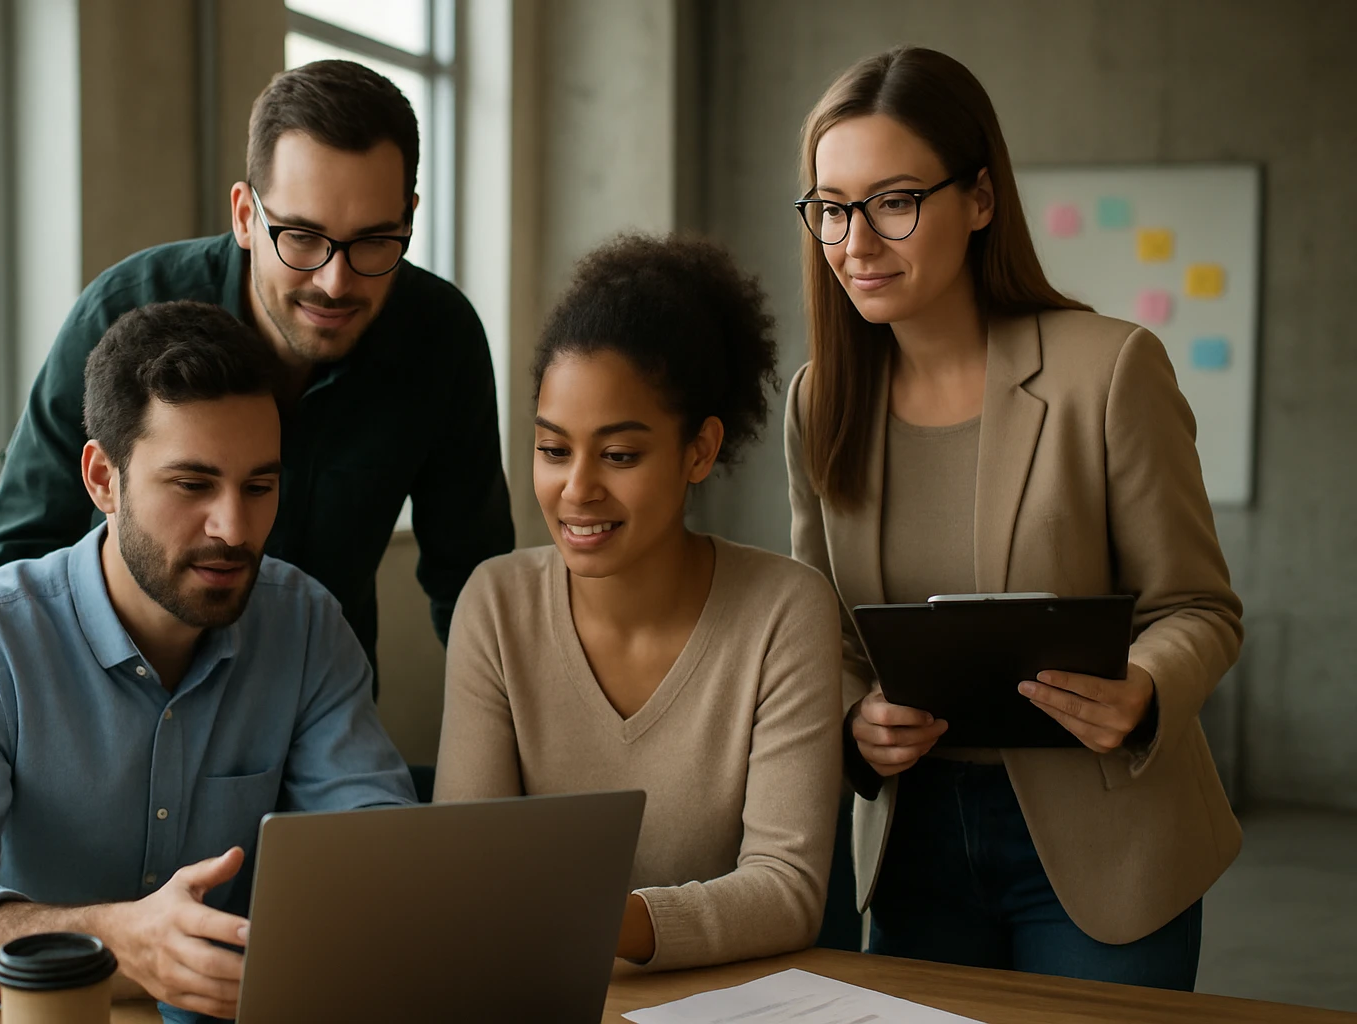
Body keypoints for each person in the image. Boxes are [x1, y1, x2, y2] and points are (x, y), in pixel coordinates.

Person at [785, 46, 1242, 988]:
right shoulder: (819, 399)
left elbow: (1200, 607)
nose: (855, 243)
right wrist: (853, 717)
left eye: (894, 201)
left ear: (981, 199)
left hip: (1106, 841)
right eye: (832, 208)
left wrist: (1143, 687)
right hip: (911, 843)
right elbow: (820, 630)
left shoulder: (1109, 371)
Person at [0, 302, 415, 1021]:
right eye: (192, 485)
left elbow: (380, 855)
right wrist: (115, 938)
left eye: (259, 485)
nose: (235, 529)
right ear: (102, 479)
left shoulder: (305, 625)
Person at [0, 59, 514, 677]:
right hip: (120, 707)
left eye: (373, 242)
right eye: (302, 237)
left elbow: (474, 587)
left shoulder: (440, 338)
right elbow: (11, 570)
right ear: (245, 216)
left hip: (318, 713)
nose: (334, 282)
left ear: (410, 219)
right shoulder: (125, 311)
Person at [434, 235, 844, 971]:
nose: (577, 488)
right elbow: (466, 875)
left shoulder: (785, 612)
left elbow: (787, 890)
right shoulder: (495, 606)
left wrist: (596, 921)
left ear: (699, 450)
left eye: (620, 455)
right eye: (553, 450)